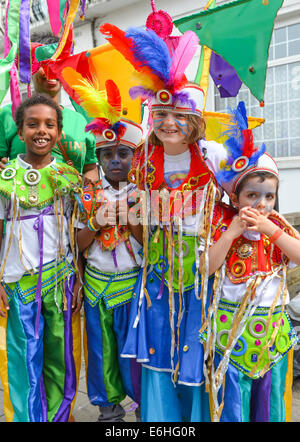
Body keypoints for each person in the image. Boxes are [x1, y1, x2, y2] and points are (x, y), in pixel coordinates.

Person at [99, 24, 227, 422]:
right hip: (156, 268)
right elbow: (137, 208)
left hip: (200, 269)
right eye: (160, 113)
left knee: (196, 348)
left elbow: (238, 197)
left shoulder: (214, 156)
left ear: (194, 117)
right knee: (157, 350)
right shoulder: (140, 159)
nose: (168, 122)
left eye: (177, 114)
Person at [199, 101, 300, 422]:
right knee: (232, 406)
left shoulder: (279, 226)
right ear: (235, 197)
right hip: (230, 333)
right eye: (252, 195)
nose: (261, 203)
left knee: (269, 407)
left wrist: (273, 230)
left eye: (268, 196)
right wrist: (229, 235)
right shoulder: (221, 225)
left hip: (270, 334)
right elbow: (205, 269)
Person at [0, 94, 83, 422]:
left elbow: (76, 237)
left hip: (60, 281)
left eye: (50, 124)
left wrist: (77, 278)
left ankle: (59, 418)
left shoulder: (69, 177)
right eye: (32, 124)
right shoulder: (5, 180)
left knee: (60, 362)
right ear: (20, 132)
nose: (41, 131)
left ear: (60, 133)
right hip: (18, 282)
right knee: (24, 363)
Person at [69, 76, 143, 422]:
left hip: (133, 284)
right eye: (107, 154)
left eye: (124, 153)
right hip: (98, 283)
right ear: (97, 157)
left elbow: (151, 244)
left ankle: (144, 403)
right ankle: (108, 410)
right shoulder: (86, 194)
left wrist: (130, 218)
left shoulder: (144, 194)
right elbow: (79, 246)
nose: (116, 161)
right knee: (101, 352)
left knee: (136, 350)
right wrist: (96, 223)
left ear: (135, 156)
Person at [0, 32, 98, 181]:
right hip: (22, 202)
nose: (50, 70)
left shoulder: (80, 121)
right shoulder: (8, 115)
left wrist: (89, 190)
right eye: (43, 64)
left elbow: (90, 168)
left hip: (71, 203)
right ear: (30, 68)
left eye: (58, 63)